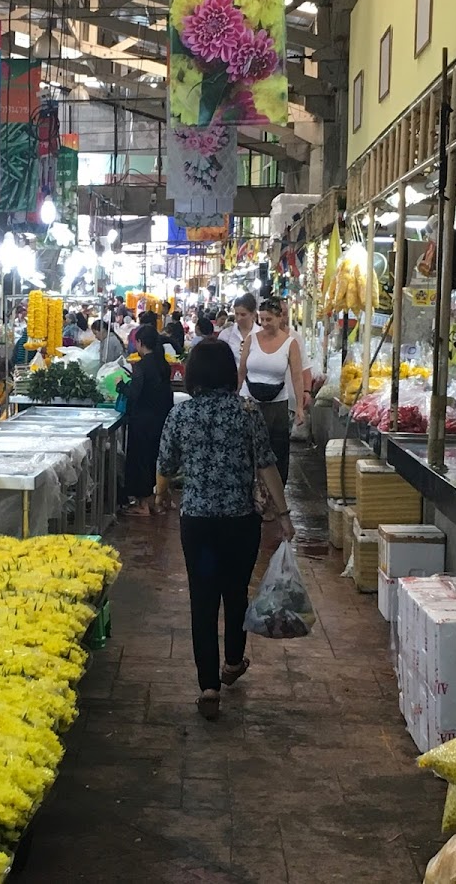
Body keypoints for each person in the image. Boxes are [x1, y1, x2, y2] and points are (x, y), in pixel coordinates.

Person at [156, 340, 292, 721]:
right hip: (240, 523)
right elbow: (267, 465)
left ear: (194, 375)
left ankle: (208, 687)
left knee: (202, 600)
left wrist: (161, 494)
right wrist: (284, 515)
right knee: (235, 592)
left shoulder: (181, 415)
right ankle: (232, 662)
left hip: (198, 524)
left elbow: (165, 465)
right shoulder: (248, 413)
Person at [239, 296, 305, 486]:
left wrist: (299, 407)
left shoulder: (290, 343)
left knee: (277, 450)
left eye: (269, 319)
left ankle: (275, 493)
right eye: (262, 319)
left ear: (279, 318)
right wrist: (234, 396)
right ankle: (249, 489)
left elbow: (297, 376)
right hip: (249, 401)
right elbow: (241, 371)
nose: (265, 323)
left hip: (277, 404)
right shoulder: (251, 339)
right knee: (248, 448)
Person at [117, 326, 175, 516]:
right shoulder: (163, 364)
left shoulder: (141, 366)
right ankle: (162, 498)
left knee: (140, 461)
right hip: (160, 419)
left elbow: (135, 395)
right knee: (155, 460)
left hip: (142, 421)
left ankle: (143, 505)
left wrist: (121, 386)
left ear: (140, 343)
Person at [275, 297, 313, 420]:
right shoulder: (258, 337)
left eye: (285, 314)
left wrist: (306, 391)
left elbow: (305, 367)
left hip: (290, 401)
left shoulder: (295, 338)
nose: (283, 318)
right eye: (280, 314)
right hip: (264, 399)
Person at [218, 293, 260, 357]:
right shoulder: (226, 334)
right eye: (237, 314)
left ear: (253, 314)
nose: (239, 318)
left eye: (243, 314)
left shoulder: (262, 333)